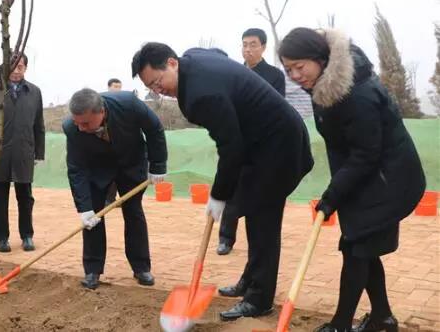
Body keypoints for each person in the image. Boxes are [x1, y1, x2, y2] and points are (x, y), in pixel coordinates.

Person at [131, 42, 313, 320]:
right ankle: (249, 282)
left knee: (262, 220)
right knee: (253, 211)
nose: (158, 90)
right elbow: (218, 57)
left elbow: (231, 149)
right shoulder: (193, 59)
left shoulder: (202, 95)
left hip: (279, 146)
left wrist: (218, 195)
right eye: (151, 87)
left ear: (171, 63)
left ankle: (259, 299)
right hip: (260, 142)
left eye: (158, 82)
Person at [279, 28, 425, 332]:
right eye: (288, 69)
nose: (294, 75)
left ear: (320, 59)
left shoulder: (356, 94)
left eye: (299, 66)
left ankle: (341, 324)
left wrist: (332, 197)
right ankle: (383, 318)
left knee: (357, 247)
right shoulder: (326, 85)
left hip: (388, 180)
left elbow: (365, 155)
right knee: (361, 247)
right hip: (368, 177)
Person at [63, 88, 167, 290]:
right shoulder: (72, 128)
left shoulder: (128, 103)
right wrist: (84, 208)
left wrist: (158, 165)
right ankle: (92, 270)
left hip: (131, 163)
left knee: (133, 211)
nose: (81, 128)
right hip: (97, 169)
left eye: (85, 123)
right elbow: (77, 169)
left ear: (101, 112)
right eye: (77, 122)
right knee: (93, 218)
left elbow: (154, 129)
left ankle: (141, 267)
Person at [218, 28, 287, 256]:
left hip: (264, 144)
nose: (248, 49)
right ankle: (226, 238)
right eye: (244, 44)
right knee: (232, 190)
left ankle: (259, 244)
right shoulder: (233, 72)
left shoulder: (274, 76)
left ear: (263, 47)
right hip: (237, 141)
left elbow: (276, 109)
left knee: (260, 195)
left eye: (253, 45)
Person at [0, 53, 45, 252]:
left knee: (25, 197)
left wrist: (39, 153)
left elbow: (39, 125)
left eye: (20, 66)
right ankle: (1, 238)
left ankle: (27, 235)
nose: (16, 70)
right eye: (13, 66)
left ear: (26, 68)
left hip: (23, 150)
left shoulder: (35, 92)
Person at [105, 78, 122, 204]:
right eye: (115, 86)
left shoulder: (123, 103)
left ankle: (112, 199)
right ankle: (107, 199)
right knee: (107, 174)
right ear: (109, 87)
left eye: (119, 86)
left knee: (119, 175)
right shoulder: (103, 102)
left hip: (120, 145)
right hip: (105, 145)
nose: (117, 89)